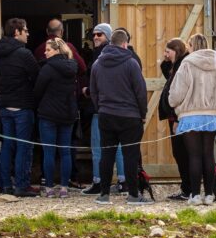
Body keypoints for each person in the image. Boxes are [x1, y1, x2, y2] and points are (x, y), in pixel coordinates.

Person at [91, 29, 151, 205]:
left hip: (106, 114)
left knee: (106, 155)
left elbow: (93, 91)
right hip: (129, 116)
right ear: (125, 44)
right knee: (130, 155)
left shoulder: (97, 64)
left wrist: (100, 107)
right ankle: (133, 195)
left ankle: (103, 194)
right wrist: (142, 113)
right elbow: (140, 91)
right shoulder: (131, 63)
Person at [169, 33, 216, 206]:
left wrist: (174, 103)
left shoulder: (187, 63)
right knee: (208, 154)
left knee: (193, 155)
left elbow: (177, 92)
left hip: (190, 114)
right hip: (211, 114)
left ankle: (195, 194)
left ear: (192, 45)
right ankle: (209, 194)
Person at [0, 18, 40, 197]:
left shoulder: (1, 52)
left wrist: (3, 98)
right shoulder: (24, 54)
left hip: (5, 106)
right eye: (25, 30)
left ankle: (4, 185)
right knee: (23, 147)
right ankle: (22, 185)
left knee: (7, 146)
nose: (28, 34)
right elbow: (37, 78)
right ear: (17, 32)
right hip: (23, 106)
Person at [33, 37, 79, 198]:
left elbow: (38, 90)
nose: (45, 53)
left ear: (57, 50)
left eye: (48, 50)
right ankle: (65, 188)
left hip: (49, 114)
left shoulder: (48, 68)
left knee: (49, 151)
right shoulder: (73, 66)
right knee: (65, 151)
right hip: (68, 113)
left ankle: (50, 188)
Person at [80, 23, 112, 195]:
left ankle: (99, 182)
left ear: (108, 36)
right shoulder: (103, 55)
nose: (95, 37)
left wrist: (87, 91)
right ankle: (122, 181)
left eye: (100, 34)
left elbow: (101, 82)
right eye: (94, 34)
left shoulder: (102, 57)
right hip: (110, 108)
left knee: (98, 148)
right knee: (116, 148)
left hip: (100, 109)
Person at [158, 38, 191, 201]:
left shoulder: (183, 65)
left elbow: (180, 95)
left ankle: (188, 189)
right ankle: (187, 188)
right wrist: (165, 63)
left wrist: (177, 119)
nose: (165, 54)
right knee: (179, 152)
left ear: (176, 51)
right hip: (175, 116)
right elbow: (168, 78)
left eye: (168, 51)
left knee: (182, 152)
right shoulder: (176, 65)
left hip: (179, 116)